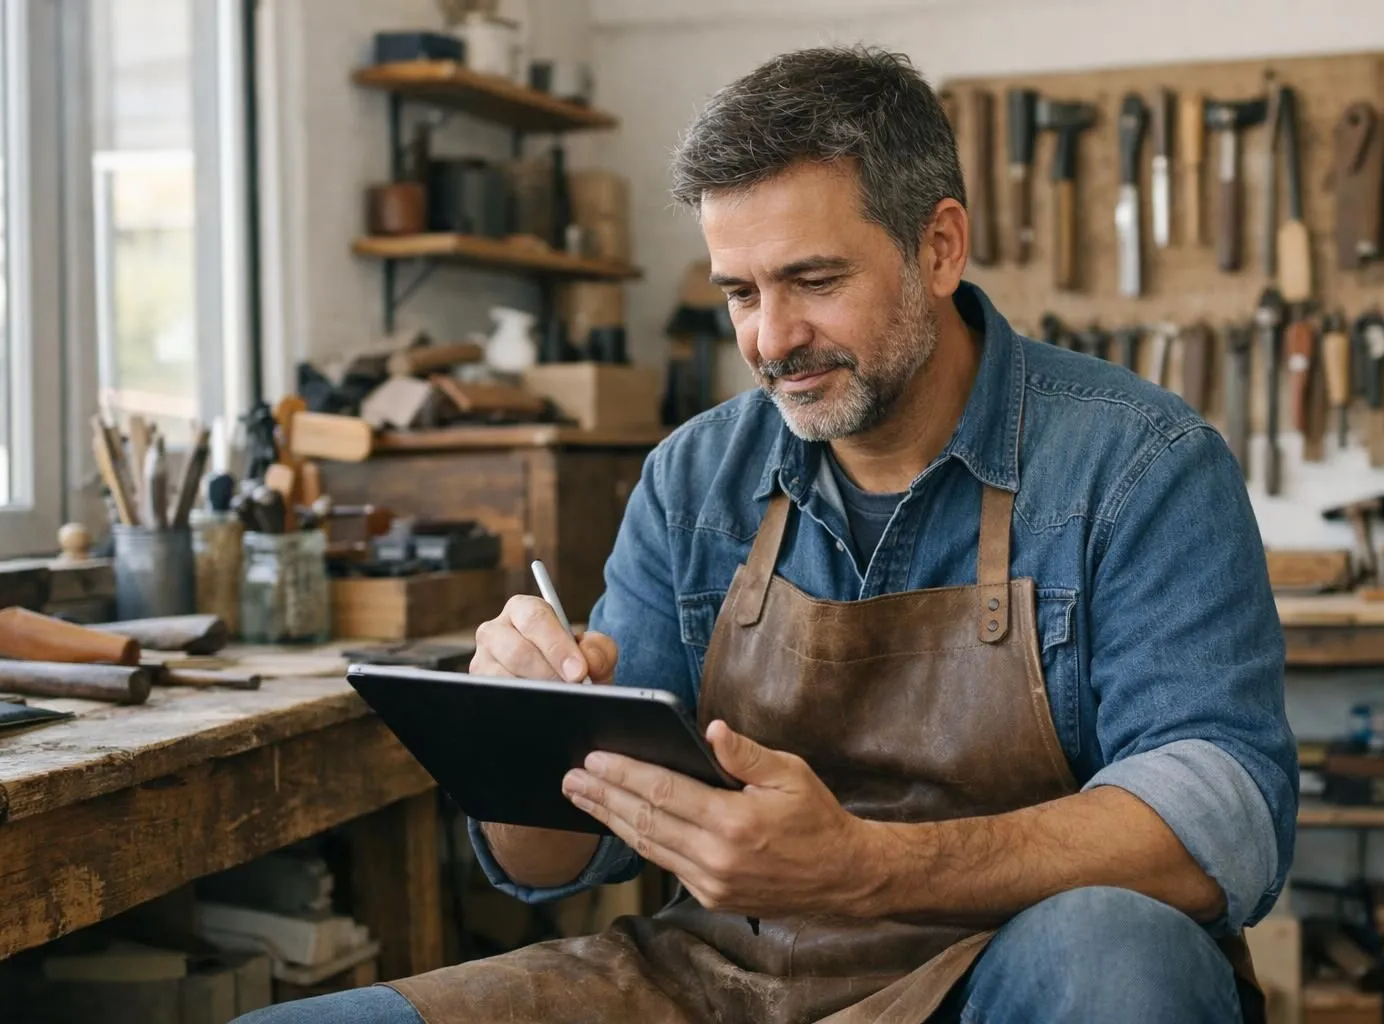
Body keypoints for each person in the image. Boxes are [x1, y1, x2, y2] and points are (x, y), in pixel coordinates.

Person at [239, 45, 1296, 1024]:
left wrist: (864, 864)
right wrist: (526, 733)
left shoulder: (1141, 465)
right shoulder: (694, 478)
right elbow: (557, 856)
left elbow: (1222, 821)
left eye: (813, 281)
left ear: (938, 246)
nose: (770, 338)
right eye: (739, 292)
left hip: (998, 974)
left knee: (1122, 951)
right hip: (719, 983)